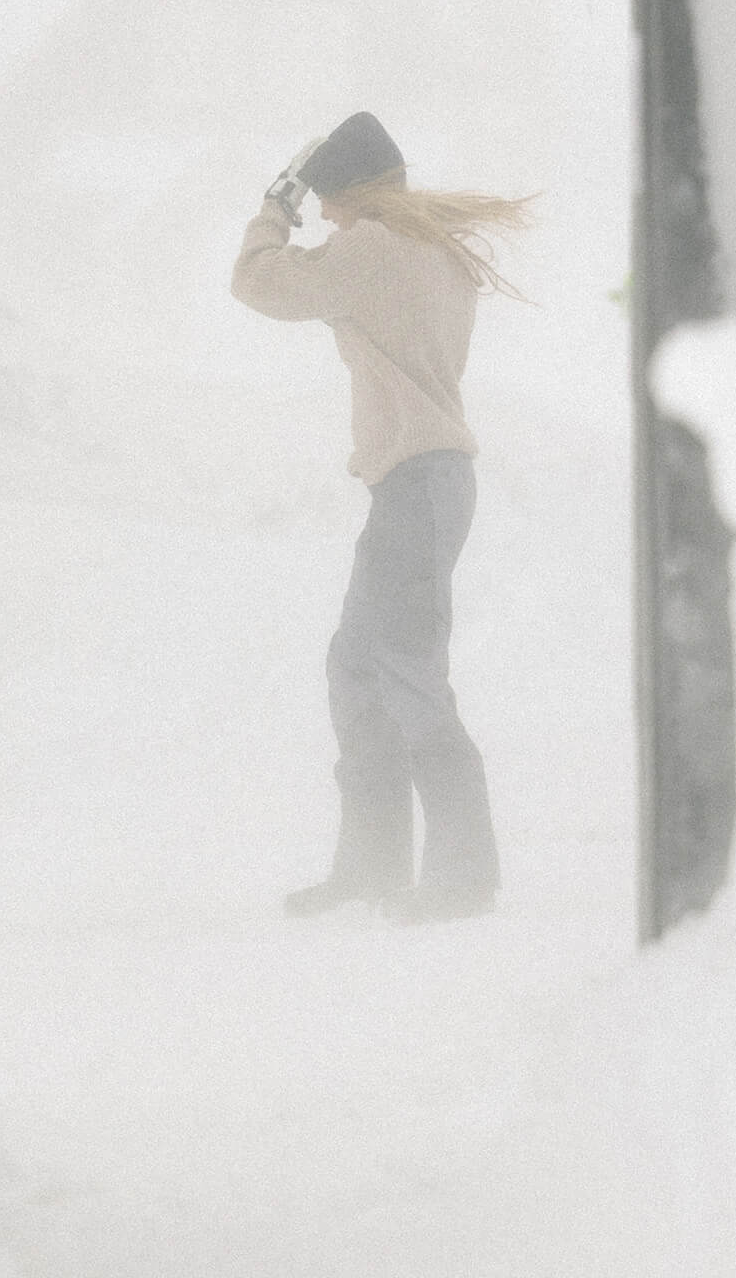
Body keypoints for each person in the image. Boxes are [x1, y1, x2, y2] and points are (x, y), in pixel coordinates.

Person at [231, 112, 533, 924]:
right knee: (360, 669)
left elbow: (257, 283)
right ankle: (374, 867)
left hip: (415, 485)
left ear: (354, 194)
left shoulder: (371, 251)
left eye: (331, 200)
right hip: (428, 483)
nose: (325, 215)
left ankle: (463, 879)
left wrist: (276, 207)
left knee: (404, 671)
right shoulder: (437, 252)